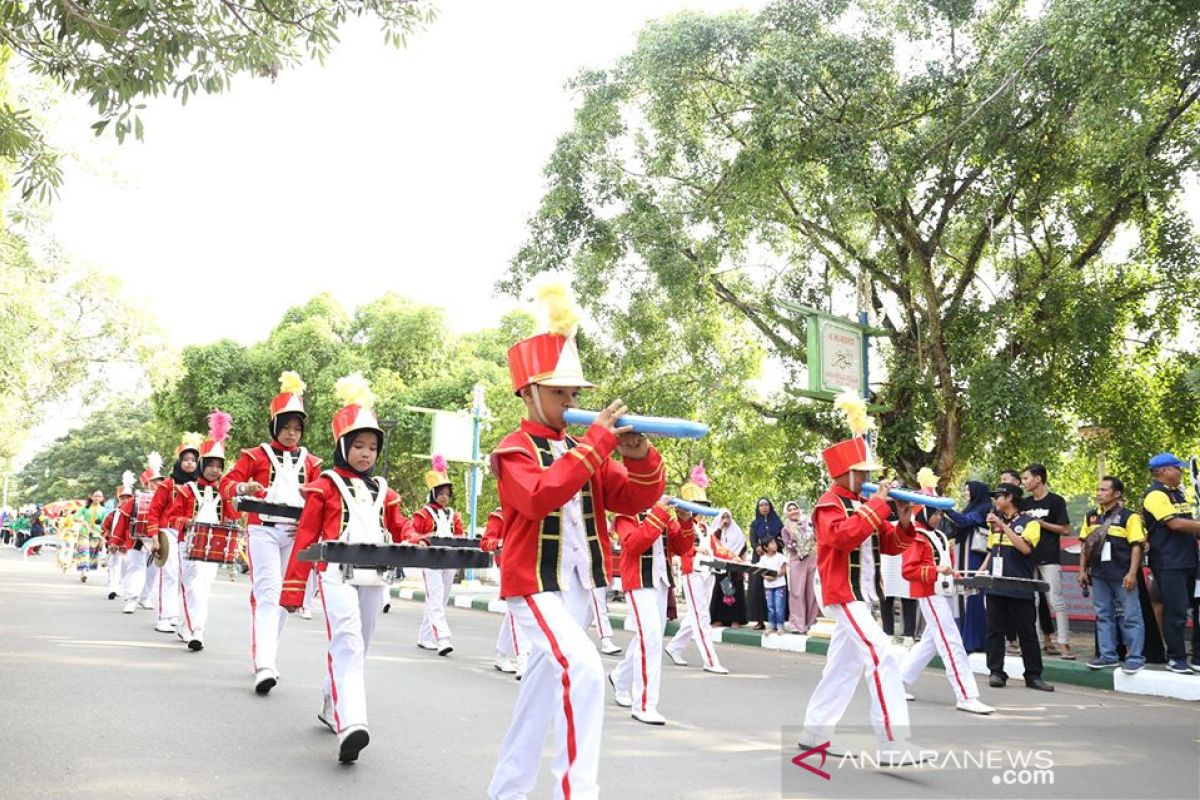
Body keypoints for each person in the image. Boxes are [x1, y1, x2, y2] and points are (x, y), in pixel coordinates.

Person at [486, 282, 665, 800]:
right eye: (559, 392)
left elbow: (632, 500)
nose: (570, 401)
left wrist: (637, 454)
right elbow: (540, 497)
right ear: (529, 393)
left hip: (578, 587)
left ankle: (506, 793)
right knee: (585, 672)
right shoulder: (513, 449)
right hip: (534, 586)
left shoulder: (583, 449)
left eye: (574, 393)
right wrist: (597, 445)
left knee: (537, 701)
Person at [280, 373, 422, 763]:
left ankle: (332, 701)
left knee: (361, 646)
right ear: (343, 446)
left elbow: (401, 524)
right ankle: (352, 723)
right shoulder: (324, 485)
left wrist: (412, 537)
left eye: (372, 447)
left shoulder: (384, 489)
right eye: (358, 445)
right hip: (335, 573)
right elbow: (306, 537)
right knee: (348, 641)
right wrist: (294, 589)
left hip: (375, 575)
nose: (365, 453)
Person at [798, 390, 928, 764]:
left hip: (862, 595)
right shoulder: (829, 503)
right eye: (864, 472)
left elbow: (890, 543)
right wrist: (877, 505)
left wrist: (903, 518)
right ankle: (892, 743)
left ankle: (815, 731)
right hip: (843, 593)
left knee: (845, 665)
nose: (869, 478)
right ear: (845, 473)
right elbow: (840, 537)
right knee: (883, 655)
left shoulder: (859, 504)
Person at [222, 371, 322, 693]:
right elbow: (227, 484)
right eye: (287, 427)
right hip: (262, 530)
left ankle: (266, 655)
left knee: (283, 597)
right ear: (275, 426)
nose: (292, 433)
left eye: (297, 428)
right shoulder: (254, 455)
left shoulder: (313, 463)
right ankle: (265, 664)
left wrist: (309, 523)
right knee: (267, 592)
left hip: (294, 534)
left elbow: (321, 500)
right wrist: (244, 486)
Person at [900, 502, 994, 714]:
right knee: (952, 643)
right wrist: (937, 570)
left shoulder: (939, 536)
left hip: (944, 592)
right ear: (924, 513)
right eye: (935, 513)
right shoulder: (916, 536)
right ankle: (966, 696)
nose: (938, 517)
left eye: (940, 513)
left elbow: (948, 565)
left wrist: (959, 580)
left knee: (930, 643)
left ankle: (897, 683)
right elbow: (909, 571)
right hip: (930, 594)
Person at [167, 411, 236, 652]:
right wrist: (186, 522)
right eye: (211, 465)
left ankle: (191, 626)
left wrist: (238, 500)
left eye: (220, 466)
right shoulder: (187, 489)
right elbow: (172, 517)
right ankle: (197, 630)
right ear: (203, 465)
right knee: (191, 586)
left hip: (214, 545)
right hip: (188, 544)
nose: (215, 470)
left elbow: (233, 516)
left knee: (203, 589)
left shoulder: (224, 492)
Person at [609, 502, 681, 724]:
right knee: (650, 639)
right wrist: (659, 513)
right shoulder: (625, 512)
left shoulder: (662, 511)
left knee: (649, 639)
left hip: (660, 583)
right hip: (638, 583)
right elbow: (634, 544)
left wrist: (685, 520)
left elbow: (681, 547)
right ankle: (644, 705)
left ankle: (619, 676)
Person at [982, 483, 1053, 691]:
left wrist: (1004, 526)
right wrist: (981, 570)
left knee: (1027, 632)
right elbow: (992, 550)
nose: (996, 500)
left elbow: (1025, 548)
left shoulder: (1030, 523)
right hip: (996, 584)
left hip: (1020, 586)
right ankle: (996, 672)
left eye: (999, 496)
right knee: (994, 630)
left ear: (1010, 497)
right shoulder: (994, 522)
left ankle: (1033, 675)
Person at [666, 465, 734, 674]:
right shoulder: (679, 523)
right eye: (699, 506)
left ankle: (674, 646)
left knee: (696, 615)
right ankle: (711, 660)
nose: (702, 511)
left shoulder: (704, 528)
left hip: (708, 573)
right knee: (702, 616)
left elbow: (716, 547)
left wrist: (735, 557)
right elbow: (679, 547)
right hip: (692, 572)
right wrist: (697, 551)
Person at [1078, 476, 1146, 674]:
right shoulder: (1091, 516)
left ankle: (1135, 657)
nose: (1099, 493)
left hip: (1122, 574)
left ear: (1116, 494)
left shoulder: (1129, 517)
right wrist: (1083, 570)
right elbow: (1085, 545)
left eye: (1104, 490)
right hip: (1099, 573)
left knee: (1131, 615)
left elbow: (1136, 546)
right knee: (1103, 615)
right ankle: (1108, 656)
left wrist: (1132, 573)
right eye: (1098, 489)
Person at [1140, 453, 1200, 674]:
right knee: (1176, 612)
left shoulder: (1178, 494)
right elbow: (1174, 524)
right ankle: (1176, 658)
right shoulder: (1155, 495)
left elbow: (1189, 526)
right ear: (1163, 471)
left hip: (1190, 560)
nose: (1180, 471)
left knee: (1196, 610)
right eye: (1177, 468)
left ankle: (1197, 656)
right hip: (1169, 563)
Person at [146, 434, 203, 633]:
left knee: (188, 576)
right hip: (168, 531)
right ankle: (165, 616)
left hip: (190, 534)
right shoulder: (167, 485)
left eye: (193, 460)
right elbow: (154, 511)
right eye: (186, 459)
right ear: (179, 462)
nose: (189, 463)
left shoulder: (201, 486)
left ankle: (186, 619)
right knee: (170, 572)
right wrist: (154, 537)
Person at [1020, 464, 1074, 660]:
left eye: (1026, 478)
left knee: (1056, 600)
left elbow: (1065, 530)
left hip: (1049, 557)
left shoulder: (1056, 501)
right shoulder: (1024, 504)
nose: (1024, 482)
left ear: (1038, 479)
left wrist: (1039, 523)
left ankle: (1064, 644)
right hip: (1027, 558)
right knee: (1030, 602)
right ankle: (1032, 643)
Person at [412, 454, 465, 656]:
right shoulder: (423, 513)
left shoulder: (454, 515)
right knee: (435, 597)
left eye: (447, 493)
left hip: (449, 559)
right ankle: (442, 638)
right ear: (433, 493)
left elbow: (459, 536)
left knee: (440, 599)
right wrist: (423, 539)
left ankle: (425, 637)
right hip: (430, 560)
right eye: (440, 493)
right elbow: (412, 533)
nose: (444, 497)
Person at [481, 508, 528, 678]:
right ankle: (523, 660)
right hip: (510, 564)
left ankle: (501, 653)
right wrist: (500, 544)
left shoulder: (531, 508)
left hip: (531, 564)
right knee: (519, 609)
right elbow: (486, 542)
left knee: (515, 611)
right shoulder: (500, 515)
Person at [945, 481, 992, 653]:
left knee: (972, 594)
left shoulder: (984, 508)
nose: (965, 493)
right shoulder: (973, 507)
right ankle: (964, 637)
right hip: (962, 553)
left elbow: (965, 522)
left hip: (973, 556)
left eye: (967, 490)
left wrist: (945, 509)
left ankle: (974, 640)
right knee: (962, 593)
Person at [781, 500, 819, 635]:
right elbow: (789, 546)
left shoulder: (808, 523)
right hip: (796, 560)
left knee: (811, 592)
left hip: (812, 559)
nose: (793, 511)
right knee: (797, 592)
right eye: (790, 509)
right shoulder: (785, 528)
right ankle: (797, 625)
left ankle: (811, 623)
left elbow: (816, 538)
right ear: (787, 513)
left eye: (795, 508)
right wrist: (794, 536)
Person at [747, 497, 783, 630]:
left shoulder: (778, 523)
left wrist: (775, 546)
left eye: (766, 505)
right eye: (761, 505)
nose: (764, 507)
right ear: (758, 508)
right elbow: (753, 540)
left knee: (777, 587)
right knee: (758, 588)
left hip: (776, 559)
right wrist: (758, 547)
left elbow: (782, 539)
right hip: (760, 558)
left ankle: (776, 621)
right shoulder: (755, 524)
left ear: (770, 506)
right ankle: (760, 621)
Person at [708, 510, 749, 627]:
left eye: (728, 517)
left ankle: (736, 619)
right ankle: (718, 619)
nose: (726, 519)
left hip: (735, 566)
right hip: (721, 566)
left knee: (735, 591)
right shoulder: (716, 531)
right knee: (721, 591)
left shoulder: (737, 531)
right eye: (723, 517)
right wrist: (720, 528)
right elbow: (713, 543)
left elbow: (743, 546)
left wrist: (736, 558)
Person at [103, 475, 135, 601]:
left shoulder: (134, 514)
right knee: (114, 567)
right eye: (122, 497)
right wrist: (110, 541)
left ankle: (127, 591)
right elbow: (105, 528)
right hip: (114, 544)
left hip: (129, 545)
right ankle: (113, 589)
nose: (125, 500)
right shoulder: (113, 514)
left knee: (127, 570)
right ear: (118, 498)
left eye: (128, 497)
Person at [74, 490, 106, 582]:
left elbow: (104, 524)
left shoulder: (104, 510)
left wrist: (102, 533)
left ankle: (84, 571)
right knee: (84, 551)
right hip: (84, 533)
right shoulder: (85, 508)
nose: (97, 498)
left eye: (99, 496)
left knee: (91, 554)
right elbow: (75, 517)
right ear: (92, 497)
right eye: (95, 496)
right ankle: (84, 572)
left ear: (102, 498)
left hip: (96, 534)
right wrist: (82, 521)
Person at [759, 537, 787, 634]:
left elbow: (784, 569)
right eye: (771, 543)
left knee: (779, 606)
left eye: (774, 543)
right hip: (768, 586)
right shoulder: (763, 559)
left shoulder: (780, 557)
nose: (774, 545)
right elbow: (761, 571)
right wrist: (767, 577)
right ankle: (771, 625)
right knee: (770, 607)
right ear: (765, 547)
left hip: (780, 585)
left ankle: (780, 626)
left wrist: (775, 575)